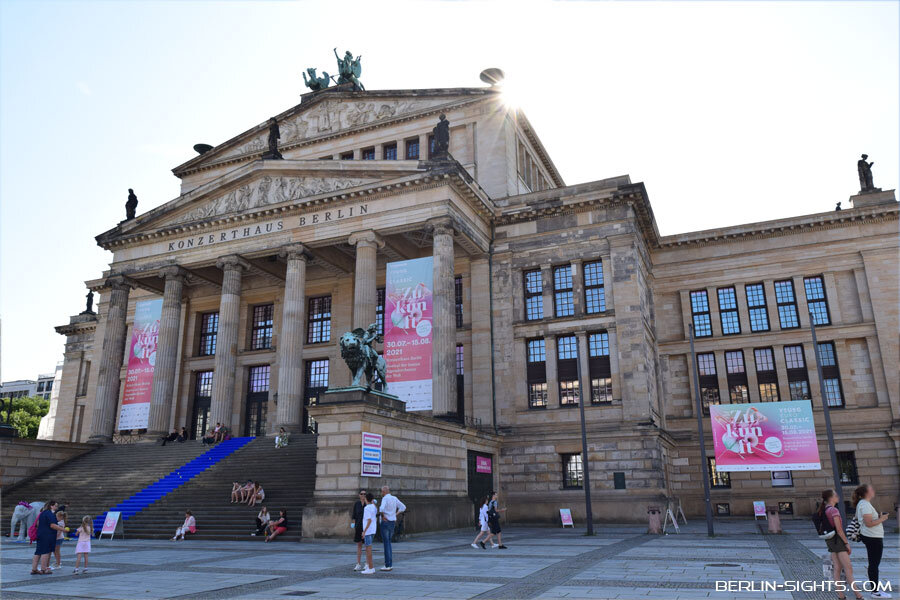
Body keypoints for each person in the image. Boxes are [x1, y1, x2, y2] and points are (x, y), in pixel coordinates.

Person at [820, 490, 863, 600]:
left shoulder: (824, 510)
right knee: (848, 569)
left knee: (837, 569)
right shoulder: (834, 510)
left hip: (830, 541)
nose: (837, 496)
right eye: (835, 495)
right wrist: (846, 543)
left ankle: (841, 596)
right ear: (831, 498)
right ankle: (859, 596)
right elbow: (839, 529)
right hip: (838, 541)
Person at [853, 484, 891, 598]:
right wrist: (882, 519)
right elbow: (869, 523)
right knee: (874, 564)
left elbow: (867, 521)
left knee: (873, 564)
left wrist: (878, 518)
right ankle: (875, 591)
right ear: (866, 492)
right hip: (872, 537)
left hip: (872, 536)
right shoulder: (864, 504)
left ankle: (875, 590)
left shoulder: (864, 504)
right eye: (871, 489)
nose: (873, 490)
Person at [30, 500, 66, 575]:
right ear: (51, 506)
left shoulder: (42, 513)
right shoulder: (50, 514)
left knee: (38, 552)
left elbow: (37, 524)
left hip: (40, 535)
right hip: (47, 535)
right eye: (56, 506)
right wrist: (63, 529)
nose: (57, 507)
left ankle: (34, 569)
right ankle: (44, 569)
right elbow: (52, 525)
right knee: (45, 552)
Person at [378, 486, 406, 571]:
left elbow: (381, 508)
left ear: (384, 491)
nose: (381, 493)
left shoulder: (385, 499)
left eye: (381, 491)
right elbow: (403, 507)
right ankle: (389, 564)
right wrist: (395, 514)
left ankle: (387, 565)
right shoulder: (394, 498)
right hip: (392, 522)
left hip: (386, 522)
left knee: (386, 544)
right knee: (389, 543)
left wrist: (383, 516)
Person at [360, 493, 377, 574]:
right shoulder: (373, 507)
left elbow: (369, 520)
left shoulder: (367, 508)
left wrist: (364, 531)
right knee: (368, 549)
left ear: (366, 499)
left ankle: (371, 568)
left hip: (368, 531)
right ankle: (370, 567)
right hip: (373, 530)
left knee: (368, 550)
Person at [351, 490, 366, 571]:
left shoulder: (368, 504)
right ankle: (358, 564)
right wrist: (353, 524)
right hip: (358, 526)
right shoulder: (357, 504)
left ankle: (367, 563)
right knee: (359, 545)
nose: (363, 495)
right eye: (361, 494)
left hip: (366, 527)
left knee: (367, 545)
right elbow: (354, 515)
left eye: (364, 494)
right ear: (359, 495)